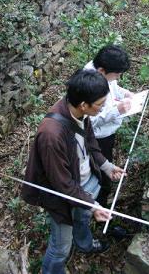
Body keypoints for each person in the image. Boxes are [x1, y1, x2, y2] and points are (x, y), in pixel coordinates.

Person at [21, 69, 125, 274]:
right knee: (60, 248)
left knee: (82, 217)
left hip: (83, 185)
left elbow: (90, 141)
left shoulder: (79, 110)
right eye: (100, 105)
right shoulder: (51, 135)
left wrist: (106, 166)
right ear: (84, 104)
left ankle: (84, 244)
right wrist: (93, 206)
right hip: (62, 197)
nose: (103, 108)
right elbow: (62, 184)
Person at [84, 45, 133, 207]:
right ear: (101, 71)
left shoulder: (100, 71)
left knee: (105, 167)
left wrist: (123, 93)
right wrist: (117, 110)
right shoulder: (88, 87)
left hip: (106, 134)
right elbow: (89, 122)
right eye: (117, 74)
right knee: (101, 174)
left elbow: (112, 86)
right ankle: (99, 208)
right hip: (97, 138)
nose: (118, 77)